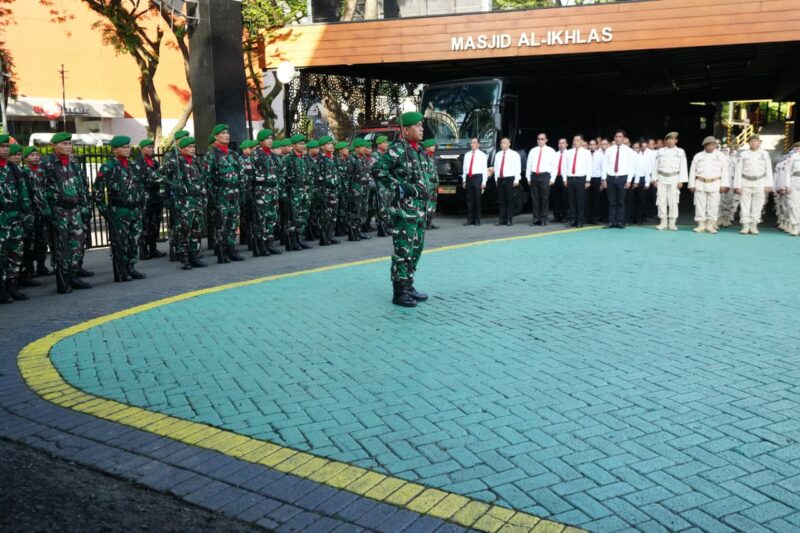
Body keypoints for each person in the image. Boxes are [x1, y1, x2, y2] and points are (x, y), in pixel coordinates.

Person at [371, 111, 429, 308]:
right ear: (406, 130)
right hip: (404, 210)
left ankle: (409, 284)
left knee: (416, 248)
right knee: (403, 250)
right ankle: (399, 291)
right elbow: (378, 170)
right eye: (417, 126)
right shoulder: (397, 149)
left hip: (419, 209)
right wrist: (400, 185)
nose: (421, 129)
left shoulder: (418, 150)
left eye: (422, 125)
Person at [38, 132, 92, 293]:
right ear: (54, 146)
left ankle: (73, 275)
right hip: (58, 210)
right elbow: (38, 189)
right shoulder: (47, 164)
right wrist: (47, 210)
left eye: (69, 144)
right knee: (62, 247)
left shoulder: (73, 164)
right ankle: (63, 280)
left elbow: (80, 186)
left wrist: (84, 205)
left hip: (74, 210)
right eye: (64, 144)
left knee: (77, 244)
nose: (68, 146)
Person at [93, 136, 147, 282]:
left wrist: (142, 204)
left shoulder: (134, 166)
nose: (127, 149)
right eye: (123, 147)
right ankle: (121, 270)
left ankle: (131, 267)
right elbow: (97, 191)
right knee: (120, 242)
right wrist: (104, 211)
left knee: (133, 240)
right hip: (119, 211)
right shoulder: (108, 167)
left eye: (128, 147)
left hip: (134, 210)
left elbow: (141, 186)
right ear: (114, 149)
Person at [159, 136, 207, 270]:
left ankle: (195, 256)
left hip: (197, 201)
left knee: (196, 231)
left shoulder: (195, 162)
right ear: (181, 149)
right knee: (184, 231)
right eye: (189, 147)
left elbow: (201, 180)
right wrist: (172, 185)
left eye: (193, 147)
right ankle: (184, 258)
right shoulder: (175, 162)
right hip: (183, 202)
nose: (192, 149)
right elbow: (157, 175)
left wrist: (203, 196)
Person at [204, 124, 244, 262]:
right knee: (222, 224)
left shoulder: (233, 154)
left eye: (227, 132)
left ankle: (232, 249)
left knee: (233, 223)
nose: (227, 135)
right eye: (223, 133)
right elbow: (207, 179)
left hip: (234, 193)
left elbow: (240, 174)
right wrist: (212, 198)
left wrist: (241, 191)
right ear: (216, 137)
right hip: (221, 194)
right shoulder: (211, 155)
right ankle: (222, 251)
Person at [0, 136, 32, 303]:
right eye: (2, 146)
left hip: (15, 217)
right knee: (1, 254)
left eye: (7, 146)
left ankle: (13, 285)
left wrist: (26, 214)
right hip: (1, 218)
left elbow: (23, 193)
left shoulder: (14, 169)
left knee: (16, 252)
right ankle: (2, 289)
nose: (5, 149)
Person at [20, 146, 50, 284]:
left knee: (42, 240)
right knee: (30, 241)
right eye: (32, 155)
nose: (36, 157)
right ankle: (29, 270)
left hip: (42, 210)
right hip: (31, 211)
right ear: (26, 158)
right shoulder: (23, 172)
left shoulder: (42, 171)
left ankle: (41, 266)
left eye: (37, 155)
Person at [688, 136, 731, 234]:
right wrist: (691, 184)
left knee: (713, 205)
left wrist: (724, 184)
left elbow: (725, 171)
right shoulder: (698, 156)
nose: (711, 147)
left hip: (715, 183)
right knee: (700, 205)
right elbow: (692, 171)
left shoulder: (720, 156)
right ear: (704, 146)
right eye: (708, 145)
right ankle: (701, 225)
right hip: (700, 182)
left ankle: (710, 225)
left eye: (713, 145)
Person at [251, 128, 283, 256]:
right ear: (261, 141)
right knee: (261, 219)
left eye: (271, 138)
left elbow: (279, 173)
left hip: (273, 191)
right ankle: (260, 245)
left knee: (272, 218)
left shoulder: (274, 156)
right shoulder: (255, 156)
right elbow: (250, 177)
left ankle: (269, 244)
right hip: (261, 192)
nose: (270, 141)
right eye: (267, 139)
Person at [734, 135, 773, 235]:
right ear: (748, 143)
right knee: (744, 205)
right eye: (751, 141)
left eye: (756, 141)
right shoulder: (743, 154)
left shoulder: (764, 154)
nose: (753, 143)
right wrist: (737, 185)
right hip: (745, 181)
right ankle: (745, 225)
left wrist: (768, 184)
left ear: (759, 142)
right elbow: (738, 171)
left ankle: (754, 225)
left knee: (758, 205)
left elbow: (768, 169)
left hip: (760, 182)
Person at [282, 133, 313, 251]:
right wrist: (285, 195)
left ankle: (300, 239)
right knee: (293, 218)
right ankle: (292, 241)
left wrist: (310, 191)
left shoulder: (305, 158)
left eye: (303, 143)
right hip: (294, 193)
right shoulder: (288, 159)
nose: (303, 145)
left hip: (305, 192)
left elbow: (310, 176)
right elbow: (283, 179)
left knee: (303, 216)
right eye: (300, 144)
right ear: (293, 145)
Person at [136, 138, 166, 260]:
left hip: (155, 197)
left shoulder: (154, 163)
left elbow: (159, 175)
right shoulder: (138, 163)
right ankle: (144, 250)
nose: (151, 149)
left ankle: (153, 248)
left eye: (152, 147)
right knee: (145, 225)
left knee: (155, 224)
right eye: (148, 147)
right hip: (145, 198)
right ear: (141, 149)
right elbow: (146, 178)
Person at [653, 131, 688, 231]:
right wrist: (654, 179)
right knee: (661, 200)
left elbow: (683, 166)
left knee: (673, 201)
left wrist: (681, 180)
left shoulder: (680, 151)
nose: (670, 141)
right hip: (661, 177)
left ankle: (672, 223)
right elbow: (655, 166)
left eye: (672, 139)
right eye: (668, 139)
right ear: (665, 140)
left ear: (676, 140)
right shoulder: (660, 151)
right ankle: (663, 222)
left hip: (674, 178)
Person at [603, 130, 637, 229]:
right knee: (611, 201)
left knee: (621, 201)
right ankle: (611, 221)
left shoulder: (629, 150)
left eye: (620, 136)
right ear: (614, 138)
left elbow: (631, 167)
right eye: (616, 136)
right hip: (610, 178)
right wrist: (604, 179)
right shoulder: (609, 150)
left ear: (624, 138)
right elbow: (605, 165)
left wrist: (629, 180)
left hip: (623, 178)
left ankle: (620, 221)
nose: (618, 138)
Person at [525, 132, 558, 226]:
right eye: (538, 139)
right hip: (534, 175)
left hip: (545, 176)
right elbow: (529, 165)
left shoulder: (551, 151)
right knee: (535, 199)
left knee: (544, 198)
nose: (540, 140)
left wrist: (553, 179)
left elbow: (554, 166)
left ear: (546, 140)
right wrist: (528, 177)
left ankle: (543, 219)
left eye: (542, 139)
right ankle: (536, 219)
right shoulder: (533, 150)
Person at [488, 137, 521, 226]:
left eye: (504, 143)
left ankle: (509, 219)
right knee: (501, 200)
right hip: (500, 179)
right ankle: (501, 219)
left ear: (509, 144)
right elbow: (496, 167)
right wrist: (496, 179)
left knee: (509, 200)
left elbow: (517, 168)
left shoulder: (514, 154)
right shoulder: (498, 154)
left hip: (510, 179)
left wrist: (517, 179)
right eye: (501, 143)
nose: (502, 144)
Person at [563, 134, 592, 228]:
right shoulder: (568, 152)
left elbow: (589, 167)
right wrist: (564, 179)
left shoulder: (586, 152)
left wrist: (588, 180)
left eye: (578, 140)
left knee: (580, 201)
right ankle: (573, 220)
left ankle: (580, 220)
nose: (576, 142)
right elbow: (565, 166)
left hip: (581, 179)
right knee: (571, 201)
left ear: (582, 141)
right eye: (574, 140)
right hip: (570, 179)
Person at [315, 136, 340, 246]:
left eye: (331, 144)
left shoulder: (332, 158)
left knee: (333, 215)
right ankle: (324, 237)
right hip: (325, 191)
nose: (331, 145)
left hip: (333, 191)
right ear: (322, 146)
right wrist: (319, 192)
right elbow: (316, 177)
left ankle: (330, 235)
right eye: (328, 144)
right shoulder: (320, 160)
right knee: (325, 215)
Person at [462, 137, 487, 226]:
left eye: (474, 142)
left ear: (478, 144)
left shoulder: (482, 155)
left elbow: (484, 169)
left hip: (478, 177)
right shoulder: (467, 155)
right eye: (471, 142)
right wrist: (464, 180)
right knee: (469, 200)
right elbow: (464, 169)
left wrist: (484, 182)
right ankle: (470, 219)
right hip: (469, 177)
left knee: (477, 199)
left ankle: (477, 219)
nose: (472, 144)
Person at [371, 135, 393, 237]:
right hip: (380, 185)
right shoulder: (374, 155)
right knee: (381, 206)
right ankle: (382, 227)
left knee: (388, 205)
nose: (387, 144)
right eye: (384, 143)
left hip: (387, 185)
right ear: (379, 144)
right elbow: (371, 171)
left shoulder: (387, 155)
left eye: (387, 142)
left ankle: (387, 226)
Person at [422, 139, 440, 230]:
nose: (434, 147)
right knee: (427, 204)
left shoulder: (432, 157)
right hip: (428, 186)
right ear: (427, 147)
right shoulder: (424, 157)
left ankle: (430, 221)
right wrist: (429, 184)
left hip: (433, 185)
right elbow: (425, 173)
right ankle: (425, 222)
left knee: (433, 205)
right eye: (432, 146)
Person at [587, 138, 605, 224]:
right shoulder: (585, 154)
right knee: (586, 199)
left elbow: (603, 168)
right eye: (590, 144)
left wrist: (602, 181)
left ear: (597, 145)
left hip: (596, 179)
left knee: (595, 199)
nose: (592, 146)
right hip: (587, 179)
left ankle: (594, 218)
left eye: (593, 144)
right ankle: (586, 218)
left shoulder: (600, 155)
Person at [552, 138, 569, 223]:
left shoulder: (569, 154)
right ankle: (557, 216)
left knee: (565, 198)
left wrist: (567, 179)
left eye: (563, 143)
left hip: (564, 178)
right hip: (556, 177)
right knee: (556, 197)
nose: (561, 145)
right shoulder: (555, 154)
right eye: (559, 143)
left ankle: (565, 216)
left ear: (566, 144)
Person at [784, 142, 800, 236]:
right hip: (795, 181)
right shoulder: (793, 157)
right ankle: (795, 227)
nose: (799, 149)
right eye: (797, 148)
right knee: (794, 206)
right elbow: (787, 172)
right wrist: (787, 185)